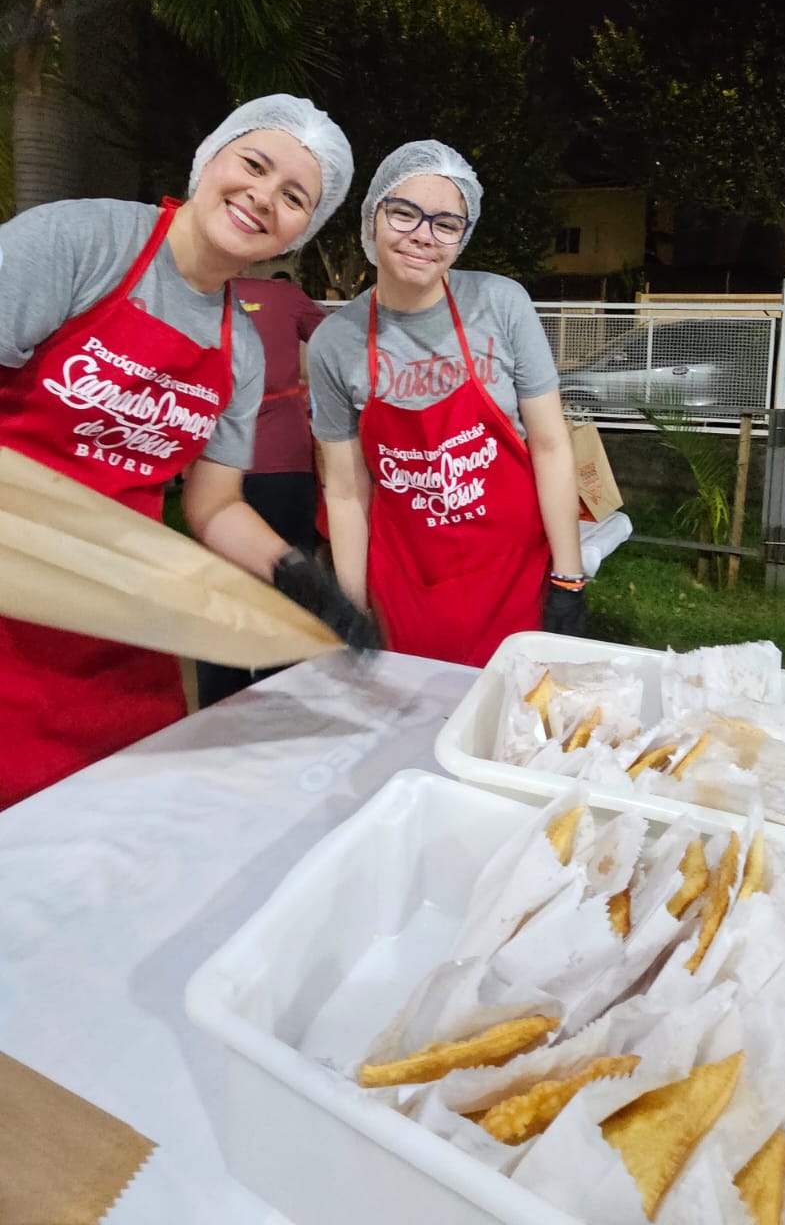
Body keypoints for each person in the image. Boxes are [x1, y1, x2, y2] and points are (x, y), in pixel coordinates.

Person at [0, 94, 376, 808]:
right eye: (254, 165)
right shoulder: (83, 242)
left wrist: (297, 574)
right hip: (11, 586)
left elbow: (214, 504)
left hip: (115, 625)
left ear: (302, 229)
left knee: (121, 818)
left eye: (294, 196)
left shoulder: (240, 350)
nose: (263, 197)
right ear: (211, 157)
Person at [307, 139, 588, 668]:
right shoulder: (335, 342)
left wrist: (568, 579)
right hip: (404, 585)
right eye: (404, 212)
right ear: (372, 217)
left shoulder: (502, 304)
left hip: (514, 575)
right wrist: (352, 605)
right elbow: (345, 491)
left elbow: (551, 446)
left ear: (463, 236)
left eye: (446, 223)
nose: (423, 235)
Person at [196, 268, 325, 705]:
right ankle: (284, 698)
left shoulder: (198, 293)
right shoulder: (285, 295)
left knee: (220, 590)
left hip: (210, 461)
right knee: (287, 583)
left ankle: (220, 707)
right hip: (282, 462)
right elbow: (333, 343)